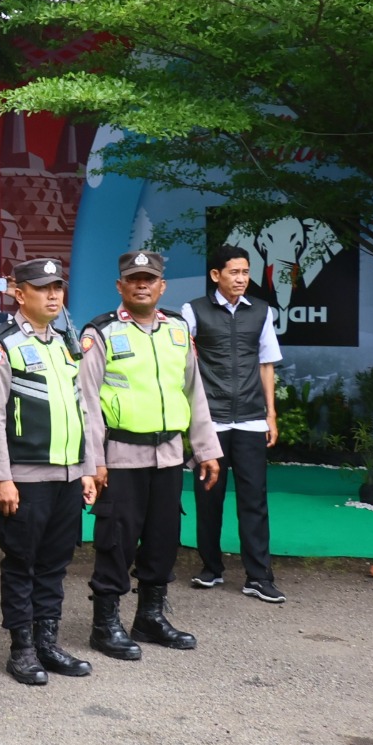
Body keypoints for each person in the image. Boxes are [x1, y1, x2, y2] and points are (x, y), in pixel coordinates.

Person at [79, 251, 222, 660]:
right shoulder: (101, 333)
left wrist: (207, 449)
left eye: (150, 279)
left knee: (163, 538)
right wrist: (96, 463)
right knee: (116, 540)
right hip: (121, 455)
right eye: (134, 279)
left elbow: (194, 392)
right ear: (120, 286)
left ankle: (150, 617)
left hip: (169, 455)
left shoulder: (177, 330)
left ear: (162, 286)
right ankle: (105, 624)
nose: (142, 284)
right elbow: (87, 402)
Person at [0, 258, 97, 685]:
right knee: (21, 564)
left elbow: (84, 408)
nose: (52, 295)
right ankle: (22, 650)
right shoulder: (2, 343)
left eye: (57, 288)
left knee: (54, 564)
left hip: (67, 476)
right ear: (18, 292)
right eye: (43, 287)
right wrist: (2, 477)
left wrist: (86, 469)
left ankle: (48, 643)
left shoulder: (66, 344)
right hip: (25, 478)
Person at [181, 244, 286, 603]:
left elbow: (267, 364)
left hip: (252, 419)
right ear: (216, 275)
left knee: (254, 499)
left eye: (245, 272)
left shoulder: (261, 311)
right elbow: (184, 361)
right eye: (234, 272)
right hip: (211, 420)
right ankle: (211, 569)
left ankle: (258, 576)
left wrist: (270, 414)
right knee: (208, 496)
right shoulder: (192, 311)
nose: (242, 279)